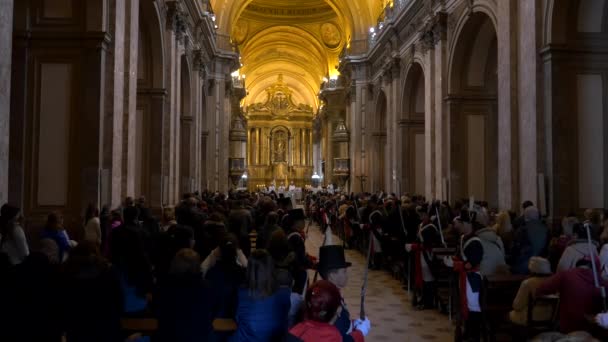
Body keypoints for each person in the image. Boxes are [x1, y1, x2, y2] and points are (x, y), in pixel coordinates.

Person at [61, 241, 124, 342]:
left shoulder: (65, 274)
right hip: (106, 327)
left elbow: (62, 305)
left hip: (77, 329)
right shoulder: (108, 272)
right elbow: (118, 301)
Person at [537, 256, 608, 333]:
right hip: (594, 330)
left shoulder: (565, 275)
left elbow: (541, 289)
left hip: (568, 328)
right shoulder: (602, 281)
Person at [231, 249, 291, 342]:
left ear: (250, 270)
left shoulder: (241, 293)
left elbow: (238, 319)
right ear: (271, 267)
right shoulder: (285, 294)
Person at [156, 248, 213, 342]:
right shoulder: (207, 288)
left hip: (170, 336)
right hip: (199, 336)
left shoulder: (164, 288)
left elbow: (158, 310)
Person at [318, 245, 370, 342]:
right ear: (332, 276)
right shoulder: (329, 300)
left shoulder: (331, 292)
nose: (347, 275)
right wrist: (359, 333)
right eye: (344, 271)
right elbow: (338, 338)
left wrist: (353, 324)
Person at [509, 257, 554, 326]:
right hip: (550, 317)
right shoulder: (554, 282)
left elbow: (517, 306)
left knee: (510, 315)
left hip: (531, 317)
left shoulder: (527, 283)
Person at [511, 206, 548, 274]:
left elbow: (515, 250)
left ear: (525, 216)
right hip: (543, 265)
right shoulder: (546, 229)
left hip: (524, 267)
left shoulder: (522, 230)